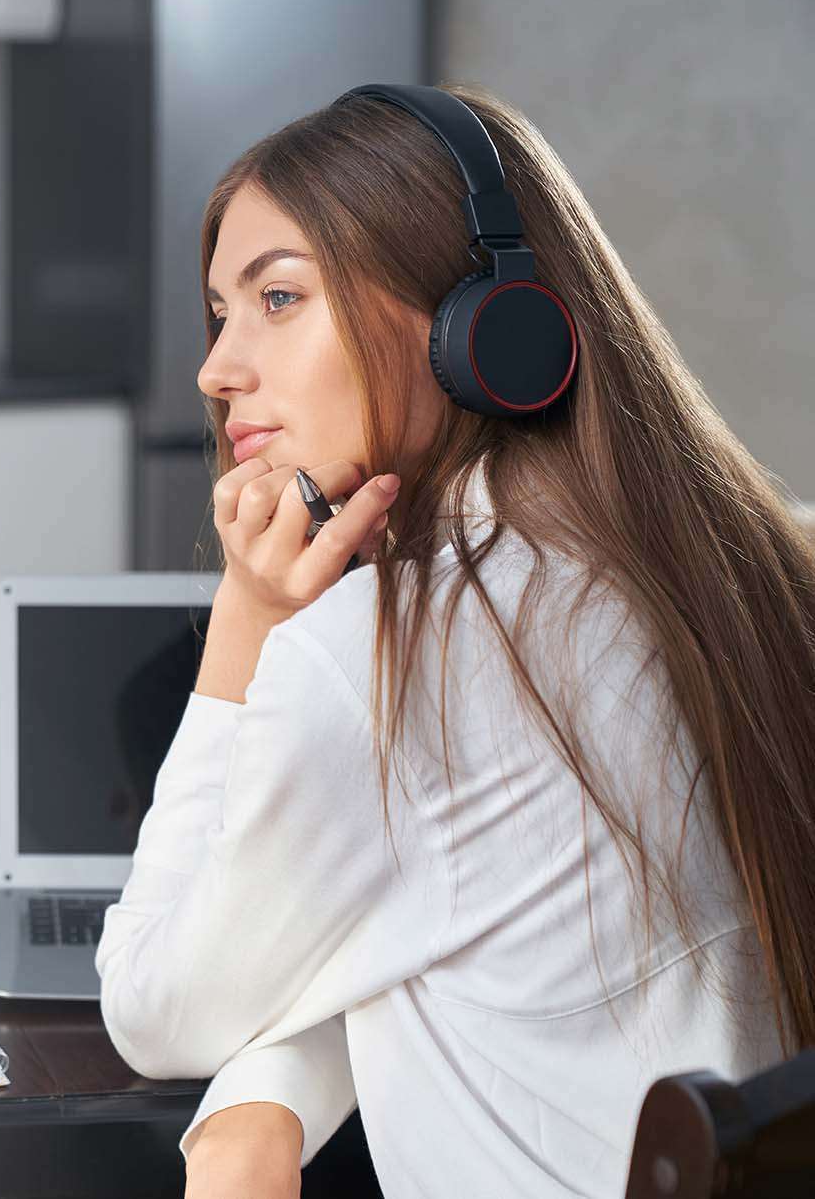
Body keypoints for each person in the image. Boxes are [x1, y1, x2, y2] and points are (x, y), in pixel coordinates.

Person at [94, 81, 813, 1199]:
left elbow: (149, 1005)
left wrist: (247, 619)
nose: (216, 367)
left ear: (475, 326)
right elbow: (452, 910)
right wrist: (271, 1082)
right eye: (219, 313)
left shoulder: (383, 650)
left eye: (276, 298)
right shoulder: (733, 572)